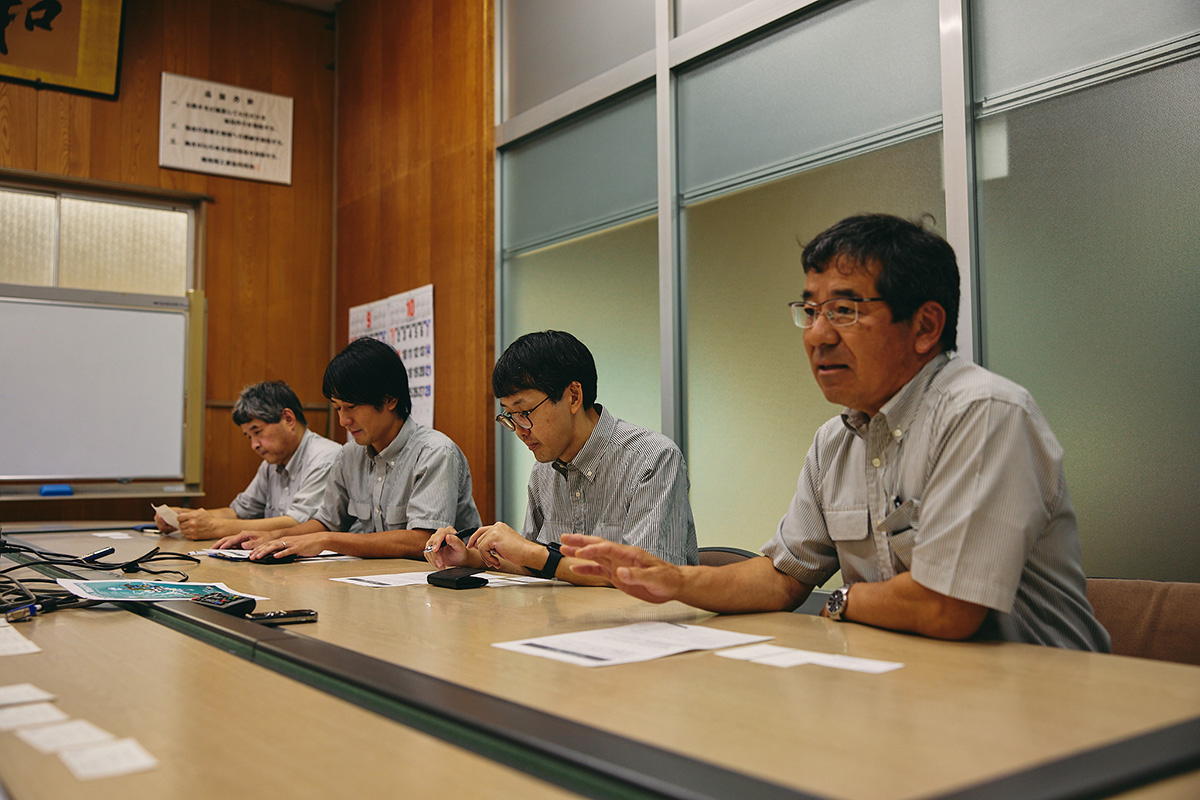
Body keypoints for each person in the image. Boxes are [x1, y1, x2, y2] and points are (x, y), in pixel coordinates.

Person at [561, 213, 1110, 651]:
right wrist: (675, 582)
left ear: (925, 326)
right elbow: (780, 578)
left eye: (844, 310)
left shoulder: (984, 412)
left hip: (1046, 707)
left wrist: (841, 600)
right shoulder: (836, 440)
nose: (818, 335)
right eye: (810, 309)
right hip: (910, 689)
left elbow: (946, 609)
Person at [424, 330, 698, 585]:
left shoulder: (652, 459)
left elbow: (651, 578)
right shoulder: (544, 470)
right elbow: (530, 566)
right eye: (509, 416)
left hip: (640, 629)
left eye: (524, 413)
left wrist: (536, 554)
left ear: (573, 396)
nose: (519, 431)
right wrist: (469, 557)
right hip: (565, 624)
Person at [213, 337, 480, 560]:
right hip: (377, 584)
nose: (343, 420)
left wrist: (327, 540)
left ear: (389, 400)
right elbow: (326, 522)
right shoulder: (349, 454)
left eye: (351, 407)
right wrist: (274, 536)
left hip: (440, 590)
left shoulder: (434, 452)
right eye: (337, 408)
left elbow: (422, 540)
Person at [154, 381, 340, 541]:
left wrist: (215, 527)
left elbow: (298, 524)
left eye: (257, 432)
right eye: (248, 436)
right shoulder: (271, 463)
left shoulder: (324, 458)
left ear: (288, 419)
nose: (254, 445)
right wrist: (186, 517)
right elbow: (239, 511)